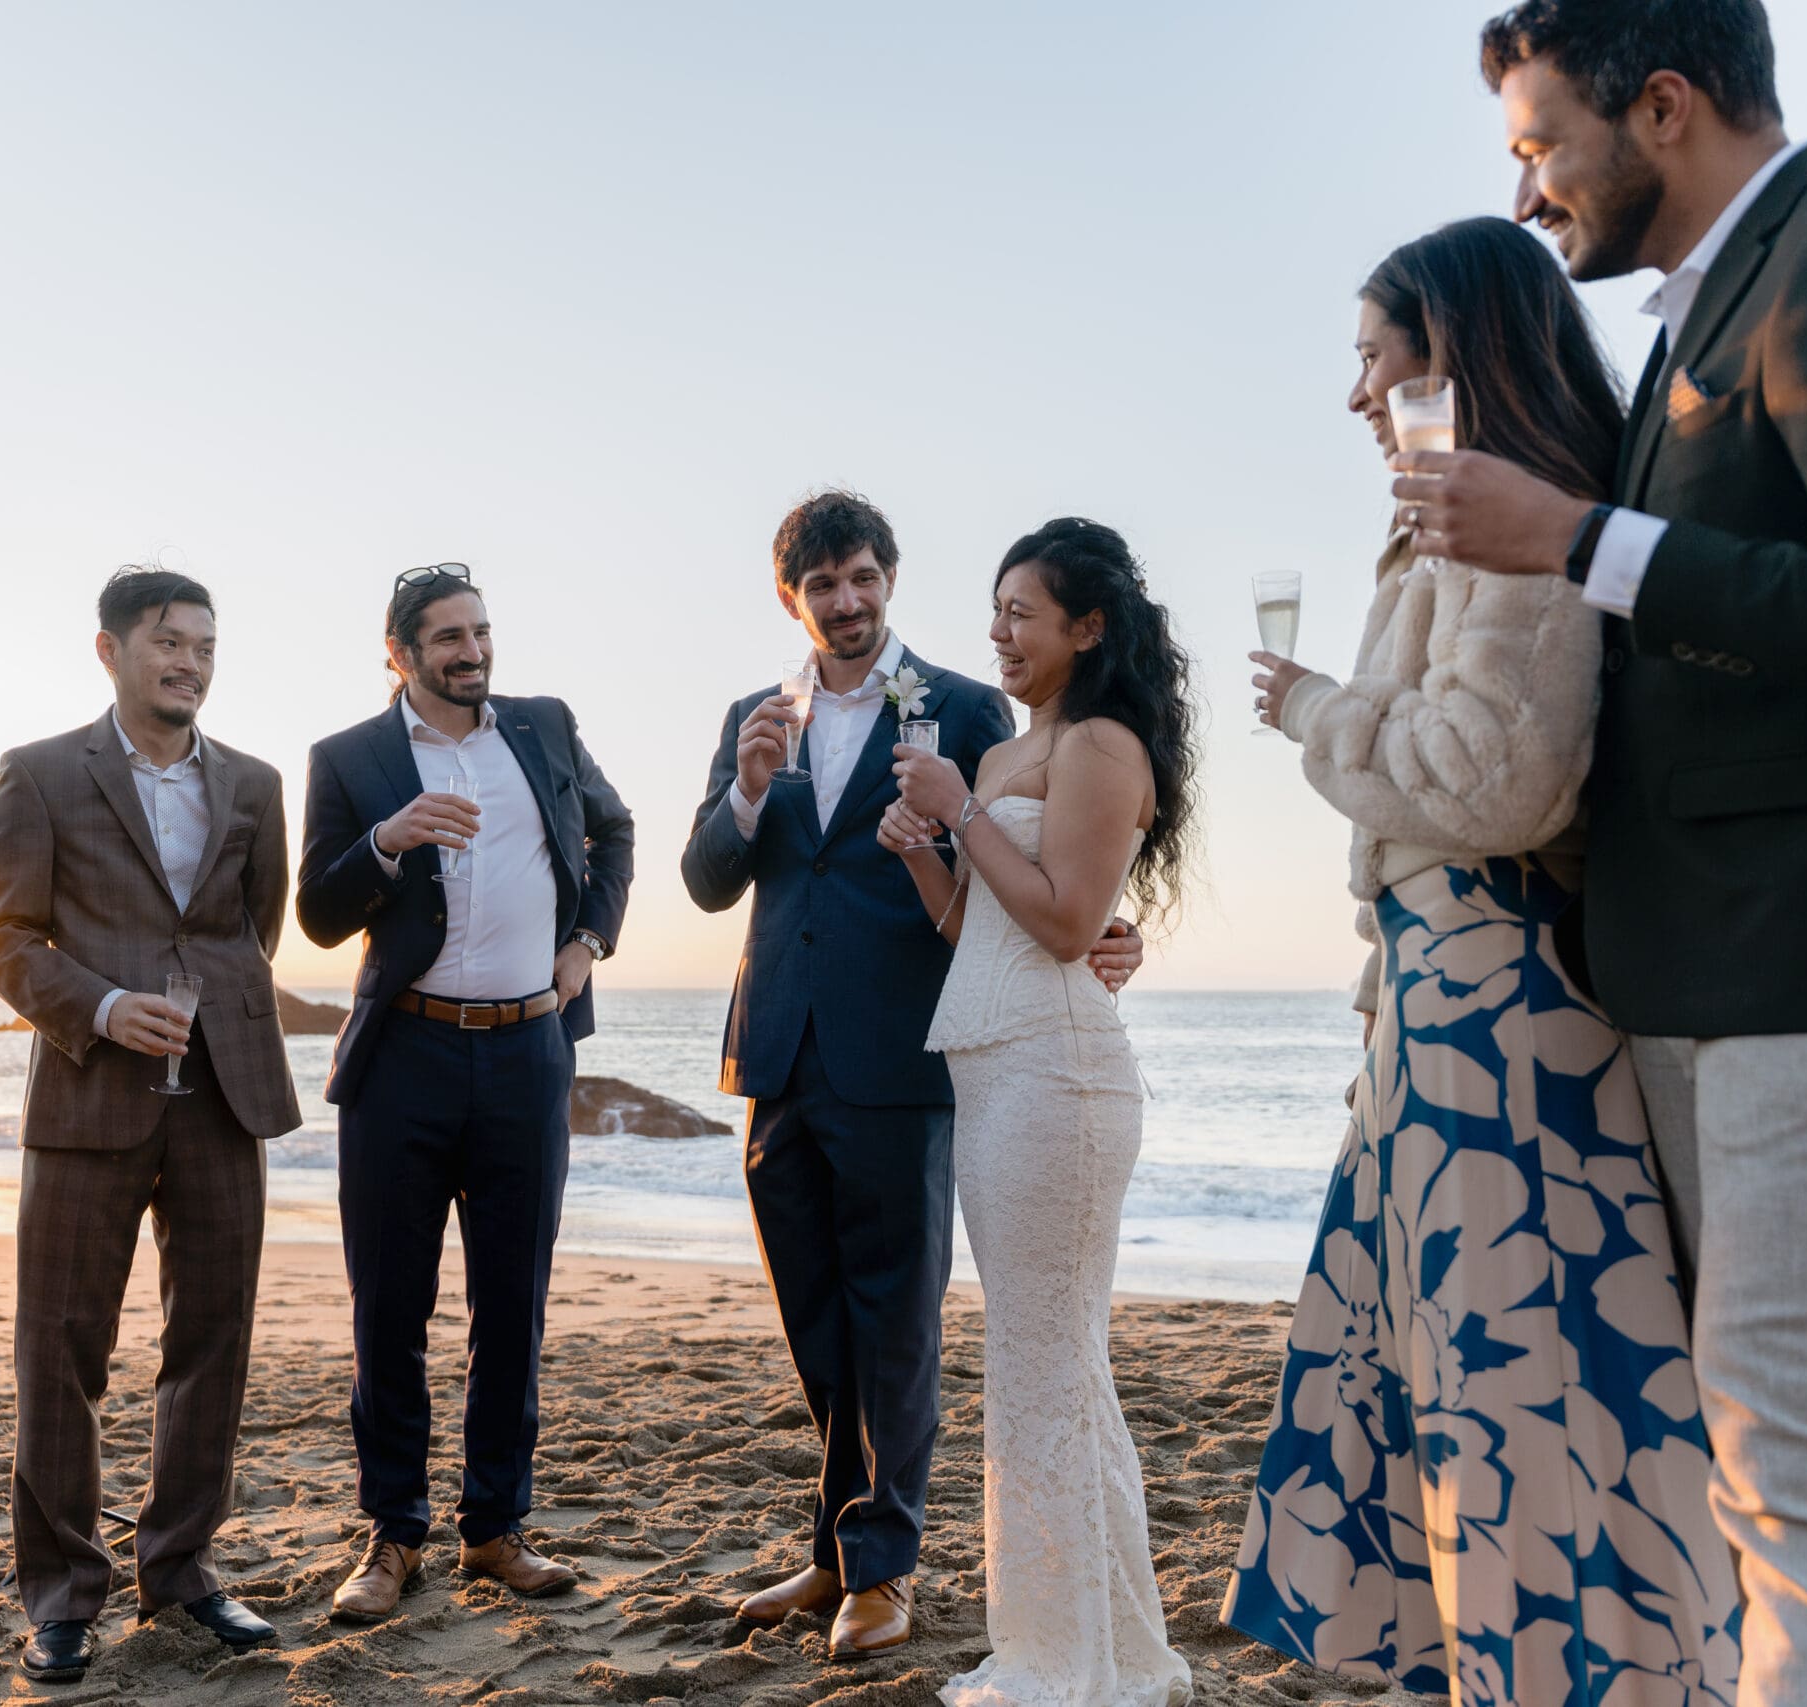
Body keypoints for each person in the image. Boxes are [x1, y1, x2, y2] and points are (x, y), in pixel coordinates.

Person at [1388, 5, 1807, 1700]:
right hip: (1709, 992)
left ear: (1668, 107)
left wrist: (1584, 543)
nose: (1532, 191)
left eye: (1543, 146)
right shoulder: (1695, 324)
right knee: (1786, 1497)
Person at [1229, 217, 1741, 1707]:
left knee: (1520, 1399)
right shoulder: (1450, 536)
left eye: (1371, 358)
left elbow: (1491, 779)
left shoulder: (1507, 533)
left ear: (1443, 356)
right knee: (1464, 1399)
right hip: (1442, 1005)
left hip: (1497, 1017)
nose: (1354, 394)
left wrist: (1320, 707)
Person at [681, 490, 1142, 1660]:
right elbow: (704, 880)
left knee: (894, 1317)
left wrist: (1113, 931)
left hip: (906, 1050)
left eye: (862, 579)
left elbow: (1041, 851)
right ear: (792, 596)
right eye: (822, 585)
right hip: (778, 1050)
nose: (845, 602)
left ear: (888, 578)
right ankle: (837, 1548)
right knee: (815, 1318)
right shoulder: (754, 715)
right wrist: (743, 789)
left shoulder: (968, 705)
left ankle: (882, 1566)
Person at [880, 517, 1197, 1707]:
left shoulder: (1105, 745)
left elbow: (1068, 924)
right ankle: (1097, 1647)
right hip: (994, 1060)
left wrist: (958, 813)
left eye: (1023, 612)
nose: (1000, 632)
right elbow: (980, 929)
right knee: (1045, 1365)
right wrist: (923, 849)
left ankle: (1069, 1663)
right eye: (996, 610)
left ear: (1087, 627)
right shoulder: (1019, 749)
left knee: (1045, 1364)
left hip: (1058, 1081)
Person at [0, 567, 304, 1682]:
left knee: (211, 1341)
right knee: (59, 1353)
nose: (191, 662)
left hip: (224, 1094)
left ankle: (182, 1568)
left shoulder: (255, 785)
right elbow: (2, 940)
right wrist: (107, 1008)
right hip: (84, 1093)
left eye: (206, 646)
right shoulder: (41, 774)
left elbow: (248, 931)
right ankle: (62, 1592)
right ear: (109, 649)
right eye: (169, 641)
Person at [295, 563, 635, 1623]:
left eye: (480, 631)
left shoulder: (541, 727)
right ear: (398, 653)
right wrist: (387, 842)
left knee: (511, 1307)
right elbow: (314, 907)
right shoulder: (349, 758)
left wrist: (586, 945)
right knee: (389, 1309)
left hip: (529, 1053)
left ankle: (493, 1529)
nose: (471, 651)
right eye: (445, 636)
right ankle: (392, 1534)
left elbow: (614, 832)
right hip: (405, 1056)